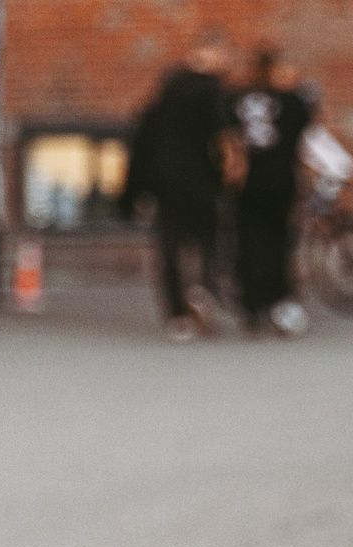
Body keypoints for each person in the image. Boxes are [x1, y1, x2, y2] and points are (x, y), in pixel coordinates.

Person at [125, 32, 237, 340]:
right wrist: (231, 172)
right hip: (199, 178)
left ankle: (177, 315)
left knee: (170, 245)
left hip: (165, 180)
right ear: (213, 53)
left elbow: (148, 128)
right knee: (207, 240)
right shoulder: (212, 88)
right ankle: (203, 290)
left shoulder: (169, 84)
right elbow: (223, 135)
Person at [233, 49, 315, 335]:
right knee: (278, 244)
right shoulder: (290, 100)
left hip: (247, 184)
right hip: (280, 182)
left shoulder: (240, 98)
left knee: (249, 243)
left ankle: (251, 305)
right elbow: (306, 123)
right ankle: (276, 300)